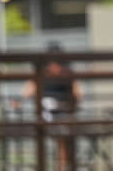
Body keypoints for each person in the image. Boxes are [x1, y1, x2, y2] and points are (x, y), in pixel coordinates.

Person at [19, 43, 82, 171]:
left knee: (63, 137)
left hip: (64, 114)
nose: (54, 66)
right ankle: (57, 166)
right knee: (55, 134)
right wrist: (20, 100)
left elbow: (78, 93)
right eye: (51, 63)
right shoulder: (41, 74)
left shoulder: (68, 75)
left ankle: (62, 166)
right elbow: (28, 89)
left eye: (57, 63)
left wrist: (71, 104)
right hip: (46, 114)